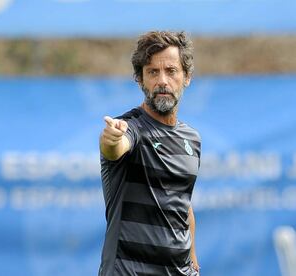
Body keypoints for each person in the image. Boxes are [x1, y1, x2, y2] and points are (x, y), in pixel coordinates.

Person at [98, 31, 201, 276]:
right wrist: (112, 139)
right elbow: (115, 146)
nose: (162, 81)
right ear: (140, 79)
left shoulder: (192, 139)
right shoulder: (131, 126)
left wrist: (193, 261)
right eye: (153, 72)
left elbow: (183, 202)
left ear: (186, 77)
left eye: (171, 71)